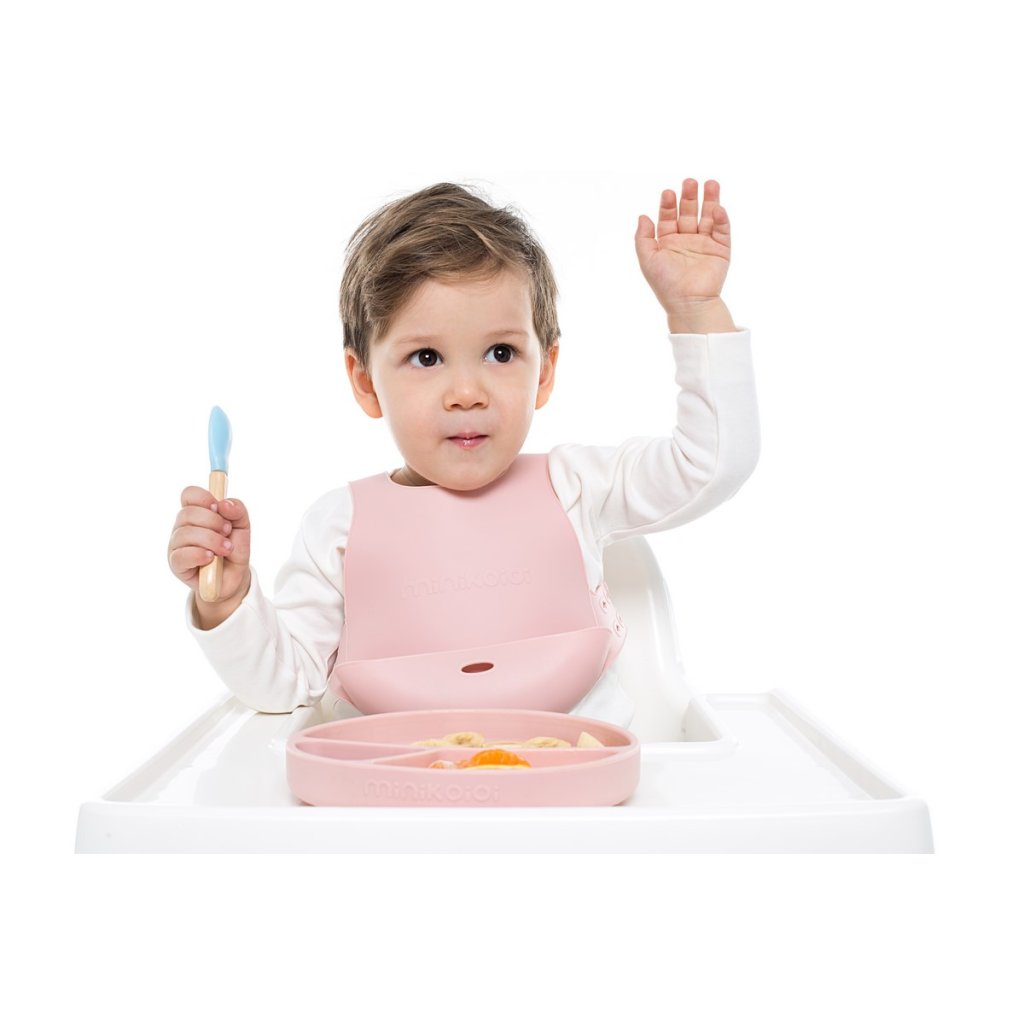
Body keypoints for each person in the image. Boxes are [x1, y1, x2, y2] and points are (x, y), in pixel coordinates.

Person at [167, 178, 760, 726]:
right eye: (426, 358)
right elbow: (285, 685)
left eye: (501, 353)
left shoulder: (578, 486)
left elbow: (708, 465)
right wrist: (227, 603)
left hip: (578, 789)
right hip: (398, 794)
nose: (467, 393)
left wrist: (695, 311)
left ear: (544, 370)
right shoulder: (338, 527)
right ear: (366, 381)